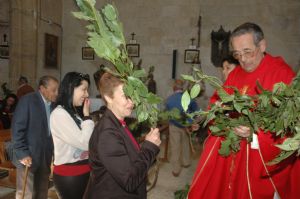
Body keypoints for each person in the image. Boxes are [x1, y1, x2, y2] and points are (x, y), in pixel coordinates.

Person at [188, 22, 298, 199]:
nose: (243, 60)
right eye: (237, 54)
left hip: (259, 164)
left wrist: (255, 133)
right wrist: (215, 113)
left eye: (248, 52)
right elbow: (217, 101)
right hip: (232, 156)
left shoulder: (281, 75)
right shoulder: (235, 74)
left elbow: (290, 126)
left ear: (262, 45)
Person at [85, 72, 161, 198]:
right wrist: (149, 147)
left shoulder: (118, 123)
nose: (131, 102)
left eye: (132, 96)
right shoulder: (107, 134)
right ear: (108, 97)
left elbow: (129, 159)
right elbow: (129, 181)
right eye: (126, 96)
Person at [12, 75, 59, 199]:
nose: (56, 93)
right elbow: (17, 128)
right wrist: (22, 153)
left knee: (42, 192)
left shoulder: (53, 105)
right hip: (28, 156)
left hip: (45, 155)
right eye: (54, 90)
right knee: (26, 193)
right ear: (43, 88)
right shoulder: (27, 100)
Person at [50, 72, 94, 199]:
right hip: (70, 175)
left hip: (84, 170)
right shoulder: (59, 114)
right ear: (71, 88)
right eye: (84, 90)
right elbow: (85, 143)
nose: (87, 94)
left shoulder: (74, 112)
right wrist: (87, 117)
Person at [165, 79, 198, 177]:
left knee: (175, 147)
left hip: (174, 126)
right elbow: (196, 111)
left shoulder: (169, 99)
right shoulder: (188, 98)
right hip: (186, 126)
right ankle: (186, 162)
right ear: (182, 88)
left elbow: (167, 113)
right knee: (185, 144)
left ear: (174, 88)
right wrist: (191, 123)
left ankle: (176, 170)